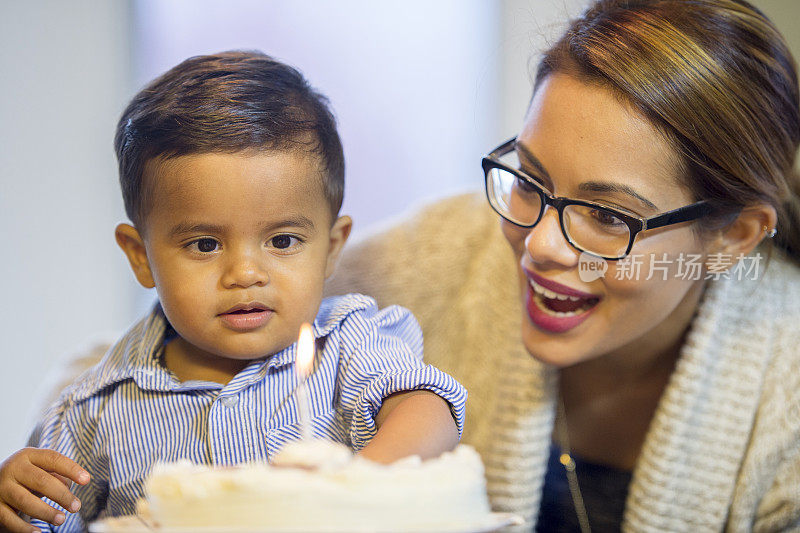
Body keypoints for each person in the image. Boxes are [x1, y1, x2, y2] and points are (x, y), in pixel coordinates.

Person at [323, 0, 800, 531]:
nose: (541, 245)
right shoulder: (430, 261)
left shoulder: (787, 404)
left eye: (606, 214)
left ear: (733, 237)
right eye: (529, 181)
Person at [0, 51, 466, 533]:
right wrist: (13, 506)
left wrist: (354, 488)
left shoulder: (348, 347)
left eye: (282, 241)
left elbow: (431, 411)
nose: (245, 273)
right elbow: (45, 519)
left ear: (331, 249)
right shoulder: (91, 412)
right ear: (141, 256)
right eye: (205, 244)